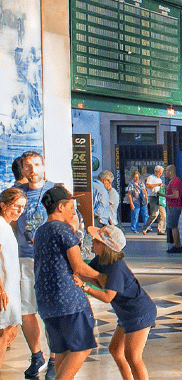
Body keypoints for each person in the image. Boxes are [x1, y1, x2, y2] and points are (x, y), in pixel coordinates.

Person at [33, 185, 104, 380]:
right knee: (83, 348)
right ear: (60, 208)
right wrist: (104, 278)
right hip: (69, 301)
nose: (74, 211)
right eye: (72, 207)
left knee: (62, 351)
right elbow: (79, 266)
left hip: (47, 302)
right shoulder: (64, 231)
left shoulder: (41, 231)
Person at [83, 223, 156, 380]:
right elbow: (96, 278)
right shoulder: (100, 260)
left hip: (139, 312)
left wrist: (86, 288)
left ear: (105, 246)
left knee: (133, 356)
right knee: (115, 350)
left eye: (96, 241)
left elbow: (108, 296)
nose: (92, 242)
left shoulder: (115, 267)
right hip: (127, 314)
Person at [16, 151, 56, 380]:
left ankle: (54, 357)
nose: (32, 170)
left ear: (43, 166)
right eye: (28, 166)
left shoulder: (54, 191)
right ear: (22, 170)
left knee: (49, 310)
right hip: (23, 258)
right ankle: (36, 355)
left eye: (36, 165)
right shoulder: (15, 194)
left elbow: (72, 221)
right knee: (26, 310)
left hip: (49, 259)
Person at [0, 187, 26, 370]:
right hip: (4, 289)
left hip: (10, 287)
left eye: (22, 207)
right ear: (3, 205)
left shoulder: (7, 226)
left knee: (9, 332)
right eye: (16, 206)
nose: (19, 211)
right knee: (7, 332)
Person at [163, 165, 182, 254]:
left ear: (171, 172)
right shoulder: (173, 181)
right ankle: (178, 245)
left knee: (173, 226)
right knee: (173, 226)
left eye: (167, 170)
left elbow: (176, 195)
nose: (165, 172)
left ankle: (176, 246)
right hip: (172, 206)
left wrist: (164, 195)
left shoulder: (175, 181)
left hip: (174, 206)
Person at [142, 166, 165, 236]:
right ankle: (145, 227)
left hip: (160, 196)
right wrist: (157, 184)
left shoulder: (160, 179)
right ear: (156, 171)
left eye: (161, 173)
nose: (161, 174)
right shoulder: (150, 177)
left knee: (163, 214)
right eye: (160, 173)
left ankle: (161, 229)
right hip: (153, 197)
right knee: (154, 214)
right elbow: (148, 185)